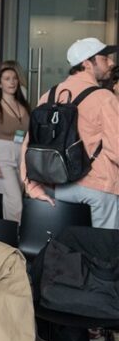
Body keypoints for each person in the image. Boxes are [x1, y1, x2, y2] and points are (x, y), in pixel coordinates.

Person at [23, 37, 118, 228]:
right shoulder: (104, 98)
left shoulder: (49, 95)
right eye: (104, 58)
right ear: (87, 63)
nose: (111, 63)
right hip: (99, 189)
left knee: (69, 244)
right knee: (104, 245)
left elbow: (29, 145)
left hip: (57, 189)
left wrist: (31, 186)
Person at [0, 66, 30, 221]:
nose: (12, 82)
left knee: (12, 201)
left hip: (21, 157)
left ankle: (7, 232)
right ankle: (13, 233)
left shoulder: (24, 106)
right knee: (15, 203)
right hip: (2, 157)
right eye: (7, 79)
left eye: (15, 78)